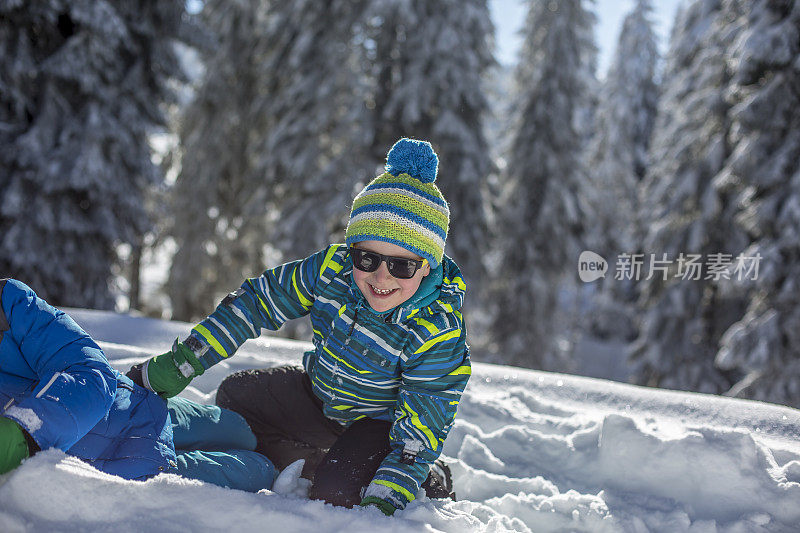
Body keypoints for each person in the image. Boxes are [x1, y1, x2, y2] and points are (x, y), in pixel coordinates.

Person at [128, 138, 471, 515]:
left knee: (336, 496)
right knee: (236, 396)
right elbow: (257, 301)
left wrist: (387, 497)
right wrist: (184, 361)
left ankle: (426, 476)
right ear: (351, 249)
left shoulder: (437, 329)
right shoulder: (332, 271)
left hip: (382, 426)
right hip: (321, 396)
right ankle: (321, 460)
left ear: (427, 266)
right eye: (367, 258)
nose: (381, 277)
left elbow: (420, 428)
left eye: (402, 265)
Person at [0, 278, 275, 493]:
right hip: (133, 467)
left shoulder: (10, 305)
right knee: (263, 471)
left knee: (242, 430)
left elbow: (88, 368)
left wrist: (26, 432)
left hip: (137, 407)